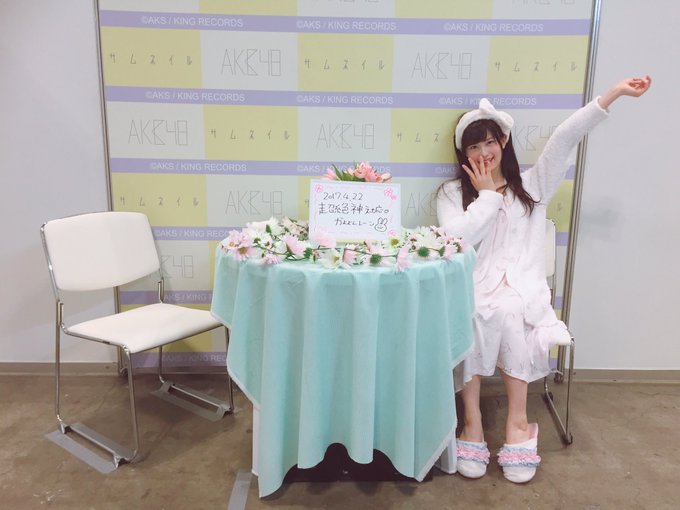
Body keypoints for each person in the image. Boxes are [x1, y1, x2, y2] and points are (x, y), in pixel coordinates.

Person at [436, 76, 652, 483]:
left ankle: (518, 423)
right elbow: (457, 240)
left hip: (520, 286)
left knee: (511, 311)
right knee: (473, 311)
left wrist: (614, 94)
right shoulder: (451, 193)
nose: (483, 153)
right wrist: (486, 196)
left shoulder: (532, 185)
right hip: (472, 286)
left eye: (490, 142)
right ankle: (472, 422)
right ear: (463, 152)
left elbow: (565, 137)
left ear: (503, 142)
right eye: (473, 146)